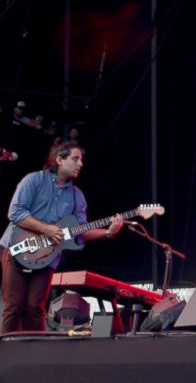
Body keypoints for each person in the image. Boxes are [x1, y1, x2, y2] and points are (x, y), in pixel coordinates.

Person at [0, 141, 123, 333]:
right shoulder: (33, 180)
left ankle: (34, 356)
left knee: (35, 307)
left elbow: (79, 232)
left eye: (81, 160)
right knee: (13, 306)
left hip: (47, 257)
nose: (80, 164)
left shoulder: (77, 196)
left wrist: (108, 232)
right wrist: (47, 229)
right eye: (75, 159)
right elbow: (15, 212)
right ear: (59, 159)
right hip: (17, 247)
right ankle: (5, 355)